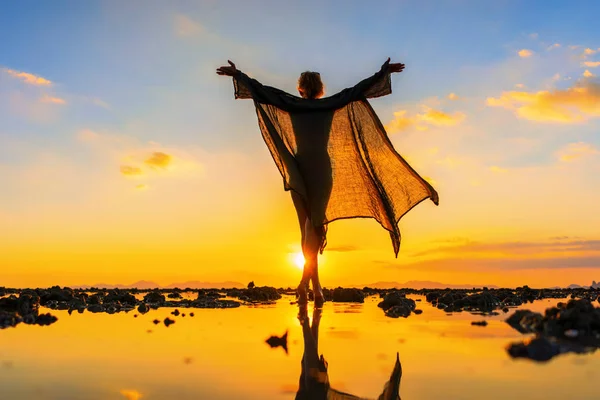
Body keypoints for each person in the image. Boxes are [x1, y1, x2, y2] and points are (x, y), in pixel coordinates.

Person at [217, 59, 438, 307]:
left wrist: (239, 74)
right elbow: (358, 89)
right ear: (320, 88)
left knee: (306, 230)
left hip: (298, 170)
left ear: (301, 88)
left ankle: (309, 286)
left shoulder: (291, 103)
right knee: (316, 227)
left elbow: (262, 90)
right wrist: (383, 72)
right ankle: (313, 287)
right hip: (321, 171)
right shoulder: (331, 103)